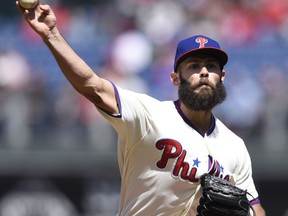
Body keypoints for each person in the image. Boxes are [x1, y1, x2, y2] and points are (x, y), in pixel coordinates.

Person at [16, 2, 266, 215]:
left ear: (222, 77)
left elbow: (256, 206)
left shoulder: (235, 146)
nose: (203, 71)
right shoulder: (149, 115)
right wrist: (52, 36)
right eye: (193, 66)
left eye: (211, 66)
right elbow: (93, 86)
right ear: (175, 78)